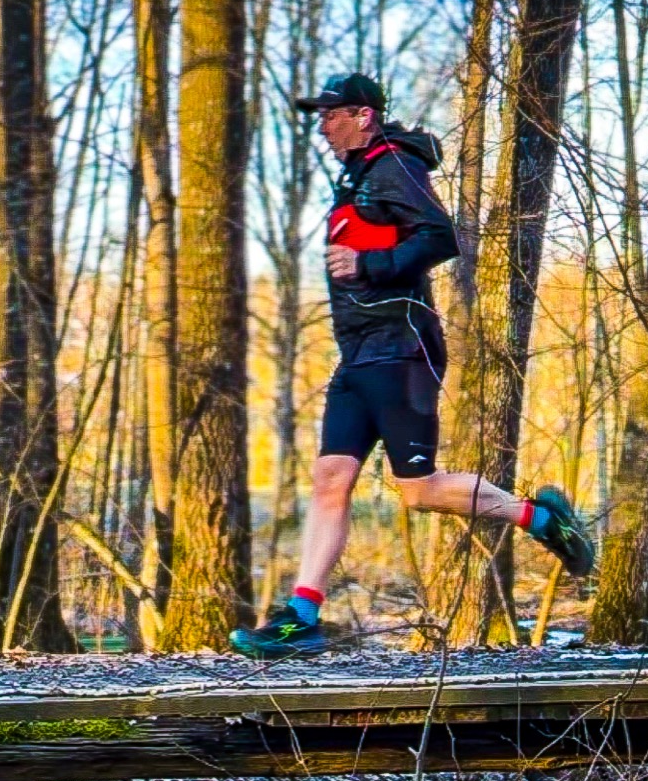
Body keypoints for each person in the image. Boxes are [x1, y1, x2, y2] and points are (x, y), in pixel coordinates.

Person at [230, 72, 594, 659]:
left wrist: (369, 266)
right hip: (359, 354)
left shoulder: (394, 166)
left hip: (402, 349)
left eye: (331, 115)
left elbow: (441, 236)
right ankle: (302, 617)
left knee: (419, 491)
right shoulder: (360, 177)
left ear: (364, 116)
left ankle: (542, 519)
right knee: (331, 479)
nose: (322, 126)